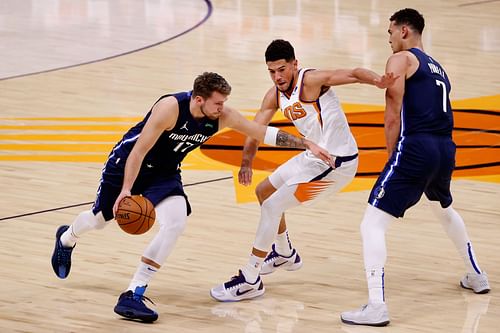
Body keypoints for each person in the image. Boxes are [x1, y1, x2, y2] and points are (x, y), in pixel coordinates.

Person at [50, 72, 334, 323]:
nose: (222, 108)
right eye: (217, 103)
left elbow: (258, 130)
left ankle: (134, 292)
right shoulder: (169, 109)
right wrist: (126, 190)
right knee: (99, 220)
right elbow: (137, 152)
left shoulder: (220, 116)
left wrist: (303, 143)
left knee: (175, 222)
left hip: (164, 173)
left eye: (223, 103)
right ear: (199, 100)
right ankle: (67, 238)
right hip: (126, 165)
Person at [210, 39, 396, 302]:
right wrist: (246, 162)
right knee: (263, 192)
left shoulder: (311, 81)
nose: (277, 77)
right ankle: (285, 252)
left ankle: (250, 278)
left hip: (337, 163)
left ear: (295, 64)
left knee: (273, 206)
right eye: (272, 71)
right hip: (313, 156)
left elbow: (353, 74)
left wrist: (378, 81)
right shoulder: (274, 95)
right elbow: (254, 133)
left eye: (282, 69)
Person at [340, 8, 490, 327]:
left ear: (405, 31)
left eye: (391, 33)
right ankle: (477, 275)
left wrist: (394, 156)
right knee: (443, 209)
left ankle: (376, 306)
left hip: (416, 147)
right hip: (445, 148)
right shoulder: (438, 67)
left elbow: (393, 111)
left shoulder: (401, 60)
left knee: (372, 224)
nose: (390, 40)